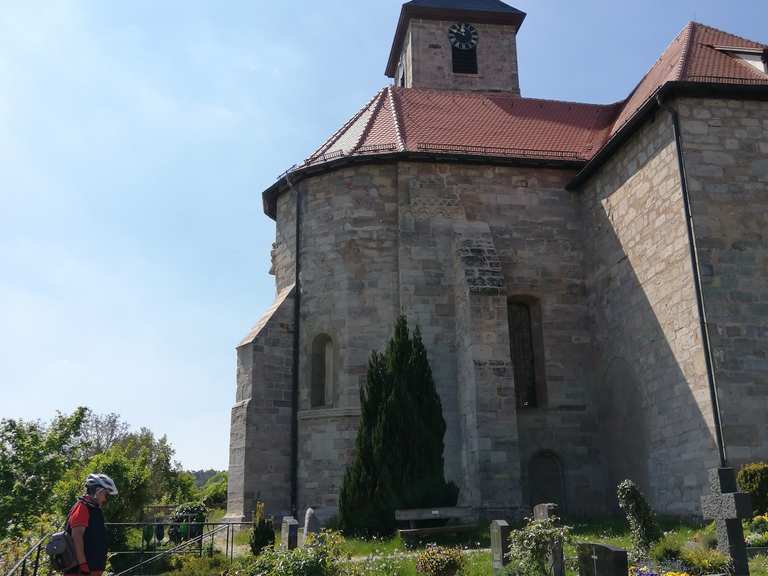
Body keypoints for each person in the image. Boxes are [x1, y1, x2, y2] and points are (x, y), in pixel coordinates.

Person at [65, 474, 118, 576]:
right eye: (106, 495)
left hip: (92, 570)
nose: (105, 499)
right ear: (98, 491)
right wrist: (83, 565)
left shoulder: (93, 509)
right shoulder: (82, 508)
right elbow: (77, 536)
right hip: (81, 572)